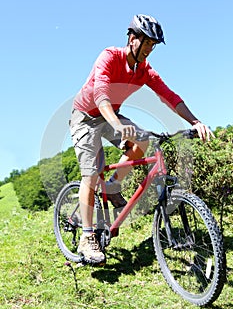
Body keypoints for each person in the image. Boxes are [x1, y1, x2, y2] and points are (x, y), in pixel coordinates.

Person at [69, 14, 214, 264]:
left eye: (153, 45)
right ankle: (87, 237)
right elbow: (101, 95)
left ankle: (113, 186)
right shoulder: (109, 57)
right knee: (91, 174)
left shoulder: (144, 70)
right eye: (146, 42)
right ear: (132, 39)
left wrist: (195, 121)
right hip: (86, 117)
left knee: (144, 142)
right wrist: (116, 124)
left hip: (111, 115)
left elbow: (169, 96)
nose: (149, 49)